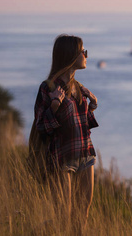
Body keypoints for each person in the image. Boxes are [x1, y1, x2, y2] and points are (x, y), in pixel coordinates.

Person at [33, 34, 99, 232]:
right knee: (63, 214)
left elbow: (82, 125)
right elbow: (41, 126)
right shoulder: (48, 88)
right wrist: (54, 105)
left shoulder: (78, 87)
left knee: (82, 212)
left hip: (85, 153)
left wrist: (92, 106)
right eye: (82, 51)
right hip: (61, 157)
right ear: (70, 55)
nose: (86, 55)